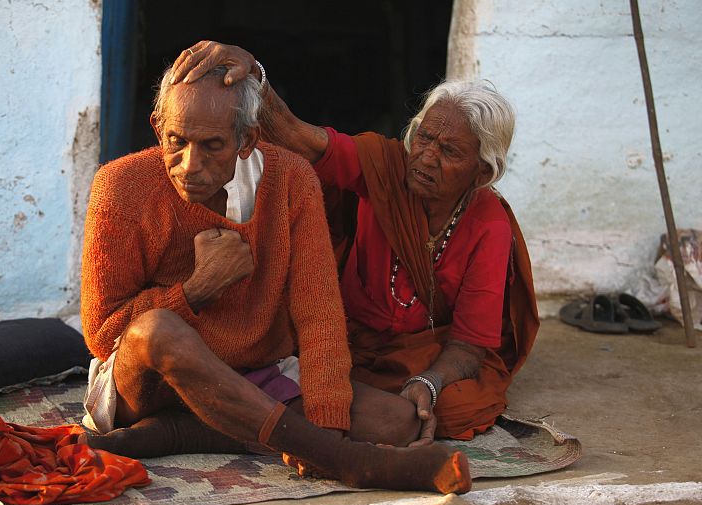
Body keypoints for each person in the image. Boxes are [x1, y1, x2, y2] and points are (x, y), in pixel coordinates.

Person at [78, 60, 472, 493]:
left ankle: (178, 433)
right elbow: (103, 334)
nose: (190, 164)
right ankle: (346, 461)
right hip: (151, 385)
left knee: (396, 421)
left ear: (246, 139)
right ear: (158, 128)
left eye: (212, 145)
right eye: (177, 141)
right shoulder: (119, 185)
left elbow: (318, 314)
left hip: (255, 374)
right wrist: (195, 290)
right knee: (157, 329)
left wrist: (329, 422)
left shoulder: (290, 179)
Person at [170, 41, 540, 443]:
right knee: (290, 361)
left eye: (448, 151)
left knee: (454, 409)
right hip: (344, 335)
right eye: (424, 138)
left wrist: (429, 383)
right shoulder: (382, 166)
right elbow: (296, 135)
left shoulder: (489, 225)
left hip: (421, 352)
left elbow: (469, 346)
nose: (426, 158)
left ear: (482, 171)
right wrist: (255, 73)